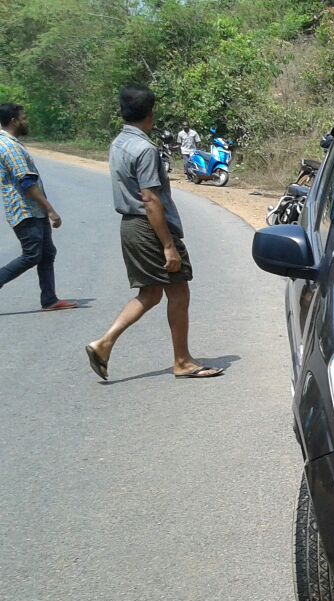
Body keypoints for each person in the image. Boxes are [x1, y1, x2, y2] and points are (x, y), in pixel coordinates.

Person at [85, 86, 223, 381]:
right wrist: (168, 246)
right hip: (149, 228)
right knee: (178, 291)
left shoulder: (119, 143)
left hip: (130, 227)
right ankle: (182, 361)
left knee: (150, 293)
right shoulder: (145, 149)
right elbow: (150, 199)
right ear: (151, 113)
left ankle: (104, 343)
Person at [0, 103, 76, 311]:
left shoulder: (9, 143)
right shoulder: (10, 147)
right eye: (23, 118)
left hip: (33, 210)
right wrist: (50, 209)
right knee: (32, 254)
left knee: (47, 253)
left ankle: (49, 299)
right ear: (14, 121)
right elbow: (26, 182)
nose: (26, 121)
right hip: (25, 210)